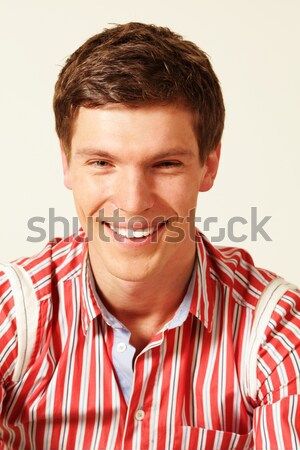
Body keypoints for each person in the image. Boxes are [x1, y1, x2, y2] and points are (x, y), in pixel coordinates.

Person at [0, 22, 299, 450]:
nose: (134, 201)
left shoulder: (275, 330)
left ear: (208, 165)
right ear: (66, 163)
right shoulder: (12, 313)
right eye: (102, 163)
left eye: (165, 164)